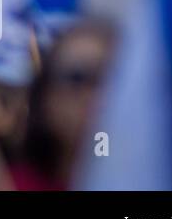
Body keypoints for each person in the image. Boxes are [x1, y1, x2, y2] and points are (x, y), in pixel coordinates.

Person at [9, 19, 115, 190]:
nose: (97, 93)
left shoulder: (162, 179)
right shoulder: (4, 185)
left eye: (111, 77)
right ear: (46, 99)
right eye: (78, 78)